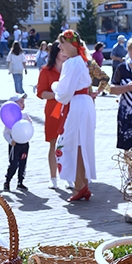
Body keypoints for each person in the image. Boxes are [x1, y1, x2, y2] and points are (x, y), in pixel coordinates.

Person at [54, 30, 97, 202]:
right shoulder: (81, 61)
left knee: (71, 142)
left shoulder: (72, 63)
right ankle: (82, 182)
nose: (60, 46)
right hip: (83, 103)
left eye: (62, 43)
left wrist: (54, 85)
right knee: (80, 142)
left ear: (71, 44)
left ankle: (80, 183)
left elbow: (64, 92)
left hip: (76, 104)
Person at [36, 42, 68, 189]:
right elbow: (41, 93)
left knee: (69, 144)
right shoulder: (46, 71)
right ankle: (53, 177)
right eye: (62, 50)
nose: (65, 53)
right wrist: (58, 95)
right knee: (54, 143)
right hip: (53, 111)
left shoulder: (70, 68)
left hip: (69, 110)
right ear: (56, 52)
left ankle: (69, 176)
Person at [2, 93, 32, 192]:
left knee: (23, 163)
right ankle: (7, 180)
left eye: (24, 102)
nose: (23, 104)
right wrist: (11, 141)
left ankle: (20, 182)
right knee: (14, 164)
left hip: (24, 143)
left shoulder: (25, 115)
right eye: (20, 102)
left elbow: (29, 126)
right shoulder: (9, 118)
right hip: (15, 145)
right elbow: (6, 133)